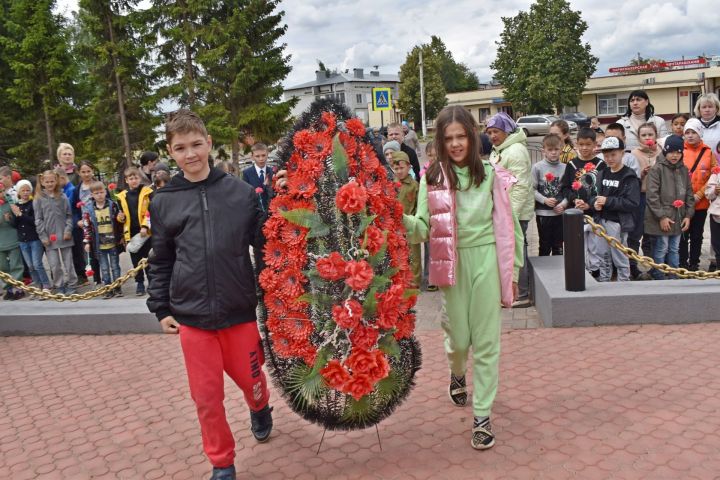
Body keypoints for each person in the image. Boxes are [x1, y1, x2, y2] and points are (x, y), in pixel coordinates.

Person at [147, 109, 272, 480]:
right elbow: (161, 258)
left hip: (238, 311)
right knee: (206, 398)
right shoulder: (164, 201)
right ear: (171, 152)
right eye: (180, 148)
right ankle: (222, 462)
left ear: (209, 144)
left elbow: (265, 245)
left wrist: (273, 290)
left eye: (196, 144)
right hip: (193, 317)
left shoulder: (241, 193)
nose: (190, 154)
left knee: (253, 382)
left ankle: (260, 407)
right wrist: (161, 308)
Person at [403, 105, 523, 450]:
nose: (455, 144)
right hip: (451, 266)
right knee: (459, 341)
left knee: (485, 342)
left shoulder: (492, 174)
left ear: (472, 137)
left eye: (461, 136)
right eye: (448, 138)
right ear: (440, 142)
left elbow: (511, 227)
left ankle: (482, 415)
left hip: (486, 260)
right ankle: (457, 372)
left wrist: (513, 271)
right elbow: (422, 228)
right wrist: (395, 216)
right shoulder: (432, 178)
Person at [486, 112, 533, 308]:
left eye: (496, 131)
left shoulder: (515, 151)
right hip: (504, 211)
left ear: (507, 130)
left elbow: (521, 186)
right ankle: (510, 291)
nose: (492, 136)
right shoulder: (501, 149)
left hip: (515, 213)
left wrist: (508, 215)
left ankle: (523, 293)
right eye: (489, 132)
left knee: (517, 250)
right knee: (509, 251)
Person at [582, 137, 640, 282]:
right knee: (602, 253)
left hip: (618, 222)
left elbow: (632, 202)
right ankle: (604, 280)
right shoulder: (602, 173)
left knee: (619, 254)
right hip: (601, 220)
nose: (610, 159)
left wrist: (607, 201)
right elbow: (593, 195)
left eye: (613, 154)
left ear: (622, 153)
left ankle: (624, 281)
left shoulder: (629, 176)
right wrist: (594, 203)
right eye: (606, 155)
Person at [644, 135, 694, 280]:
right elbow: (652, 196)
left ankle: (674, 275)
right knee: (661, 248)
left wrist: (688, 215)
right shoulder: (657, 169)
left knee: (674, 248)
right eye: (671, 152)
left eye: (678, 152)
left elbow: (689, 194)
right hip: (662, 217)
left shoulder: (683, 169)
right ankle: (659, 275)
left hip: (678, 216)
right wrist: (662, 217)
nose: (675, 155)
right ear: (665, 151)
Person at [558, 128, 606, 276]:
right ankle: (580, 272)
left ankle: (596, 271)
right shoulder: (572, 164)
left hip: (595, 214)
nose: (584, 148)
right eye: (581, 144)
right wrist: (574, 199)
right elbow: (565, 188)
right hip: (576, 213)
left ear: (595, 145)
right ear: (576, 144)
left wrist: (590, 204)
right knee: (578, 245)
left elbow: (604, 190)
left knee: (595, 245)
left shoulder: (601, 165)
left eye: (588, 144)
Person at [679, 118, 717, 271]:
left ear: (700, 133)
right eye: (687, 132)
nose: (690, 135)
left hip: (701, 202)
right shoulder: (679, 151)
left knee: (697, 234)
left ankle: (694, 263)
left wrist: (700, 195)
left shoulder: (708, 152)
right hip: (682, 201)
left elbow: (713, 176)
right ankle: (682, 262)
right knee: (683, 234)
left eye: (693, 132)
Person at [33, 170, 78, 294]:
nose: (50, 184)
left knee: (68, 263)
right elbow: (38, 219)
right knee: (54, 265)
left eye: (52, 181)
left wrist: (68, 230)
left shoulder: (62, 196)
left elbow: (69, 215)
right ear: (42, 182)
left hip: (64, 236)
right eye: (47, 182)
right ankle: (59, 285)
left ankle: (72, 284)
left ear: (56, 181)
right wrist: (43, 236)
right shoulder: (38, 199)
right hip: (49, 238)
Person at [630, 123, 663, 279]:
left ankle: (654, 267)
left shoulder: (662, 152)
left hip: (657, 197)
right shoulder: (633, 154)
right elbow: (630, 179)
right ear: (638, 138)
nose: (647, 138)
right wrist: (642, 174)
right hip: (640, 197)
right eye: (643, 135)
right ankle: (632, 266)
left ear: (656, 136)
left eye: (650, 134)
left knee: (653, 234)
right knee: (636, 232)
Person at [82, 181, 125, 298]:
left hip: (112, 242)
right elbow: (87, 226)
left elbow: (119, 223)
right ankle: (108, 288)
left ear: (105, 192)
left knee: (115, 266)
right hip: (99, 244)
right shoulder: (88, 209)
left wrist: (121, 235)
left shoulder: (113, 205)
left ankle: (117, 287)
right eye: (96, 193)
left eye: (101, 192)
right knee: (104, 268)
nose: (99, 195)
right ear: (92, 195)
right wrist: (87, 241)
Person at [9, 180, 51, 297]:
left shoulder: (33, 204)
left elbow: (34, 221)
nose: (26, 192)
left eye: (28, 190)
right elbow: (14, 225)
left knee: (37, 264)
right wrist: (12, 217)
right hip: (23, 240)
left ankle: (46, 285)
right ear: (18, 192)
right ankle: (37, 286)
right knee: (30, 266)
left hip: (34, 239)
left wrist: (21, 215)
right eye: (23, 190)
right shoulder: (16, 205)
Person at [116, 167, 153, 296]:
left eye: (136, 178)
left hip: (146, 232)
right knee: (136, 260)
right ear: (126, 180)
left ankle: (152, 282)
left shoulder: (147, 192)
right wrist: (120, 218)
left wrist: (145, 226)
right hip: (131, 233)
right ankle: (140, 283)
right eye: (131, 178)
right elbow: (121, 216)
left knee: (148, 258)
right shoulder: (122, 196)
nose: (134, 180)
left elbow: (150, 211)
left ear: (140, 178)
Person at [531, 134, 566, 256]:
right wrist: (544, 200)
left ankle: (559, 267)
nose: (553, 152)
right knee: (544, 245)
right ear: (543, 151)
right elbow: (531, 189)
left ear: (561, 149)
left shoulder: (565, 168)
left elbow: (568, 191)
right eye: (550, 149)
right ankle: (543, 267)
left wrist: (563, 205)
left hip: (559, 214)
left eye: (556, 149)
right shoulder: (537, 167)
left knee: (558, 246)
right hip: (543, 214)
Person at [391, 150, 421, 288]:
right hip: (395, 228)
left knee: (414, 256)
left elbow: (419, 205)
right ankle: (399, 283)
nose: (399, 171)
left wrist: (416, 221)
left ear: (409, 167)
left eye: (401, 168)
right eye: (396, 168)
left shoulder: (414, 185)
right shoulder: (391, 185)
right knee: (397, 255)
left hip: (410, 227)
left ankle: (414, 284)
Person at [71, 161, 101, 285]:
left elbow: (108, 201)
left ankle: (109, 277)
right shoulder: (77, 190)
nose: (86, 174)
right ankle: (97, 279)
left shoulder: (98, 186)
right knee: (91, 252)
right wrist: (77, 220)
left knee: (103, 250)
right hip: (86, 225)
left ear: (92, 171)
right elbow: (73, 208)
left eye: (88, 171)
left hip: (100, 223)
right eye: (83, 172)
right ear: (79, 173)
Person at [1, 179, 24, 300]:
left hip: (12, 238)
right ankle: (8, 288)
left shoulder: (11, 202)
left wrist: (10, 218)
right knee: (2, 266)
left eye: (2, 191)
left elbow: (17, 219)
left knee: (16, 264)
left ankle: (18, 288)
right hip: (1, 241)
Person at [420, 141, 437, 291]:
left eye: (435, 155)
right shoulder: (424, 173)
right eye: (430, 155)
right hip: (430, 215)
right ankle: (430, 278)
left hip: (442, 216)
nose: (432, 158)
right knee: (429, 248)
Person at [241, 143, 273, 211]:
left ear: (267, 154)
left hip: (271, 211)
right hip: (255, 212)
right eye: (257, 156)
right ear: (252, 157)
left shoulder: (272, 172)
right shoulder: (247, 173)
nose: (261, 159)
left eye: (263, 155)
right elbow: (245, 195)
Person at [705, 162, 720, 273]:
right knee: (717, 244)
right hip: (717, 214)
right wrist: (714, 191)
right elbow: (708, 194)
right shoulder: (716, 173)